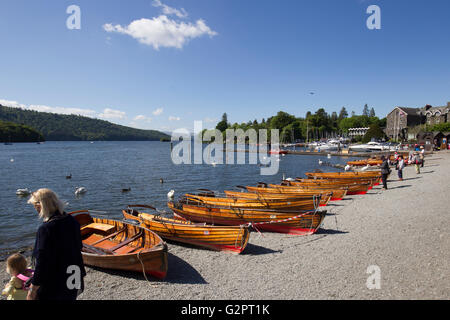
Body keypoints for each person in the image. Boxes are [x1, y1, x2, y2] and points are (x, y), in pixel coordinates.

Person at [27, 188, 86, 300]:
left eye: (35, 206)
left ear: (40, 206)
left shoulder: (46, 229)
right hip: (74, 274)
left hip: (56, 281)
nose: (35, 209)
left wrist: (32, 289)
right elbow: (78, 246)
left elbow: (42, 262)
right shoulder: (72, 221)